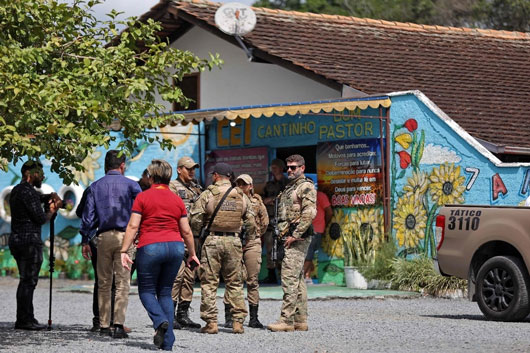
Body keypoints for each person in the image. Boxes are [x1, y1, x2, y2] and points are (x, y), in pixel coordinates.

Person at [120, 159, 199, 351]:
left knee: (146, 291)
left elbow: (132, 225)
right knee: (165, 292)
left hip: (150, 247)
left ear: (152, 176)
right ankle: (167, 343)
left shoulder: (143, 197)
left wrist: (124, 250)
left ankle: (160, 321)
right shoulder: (177, 199)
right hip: (175, 248)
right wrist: (192, 254)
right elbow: (186, 231)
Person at [190, 162, 257, 334]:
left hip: (212, 241)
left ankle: (211, 323)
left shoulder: (208, 193)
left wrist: (197, 236)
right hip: (234, 241)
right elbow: (251, 221)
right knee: (235, 283)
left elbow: (196, 218)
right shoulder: (241, 195)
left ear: (216, 176)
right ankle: (237, 322)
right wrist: (245, 239)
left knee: (209, 283)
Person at [81, 150, 141, 339]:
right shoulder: (132, 186)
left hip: (103, 237)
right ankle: (118, 324)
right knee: (123, 282)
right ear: (122, 165)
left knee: (104, 282)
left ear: (106, 165)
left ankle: (104, 325)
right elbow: (141, 212)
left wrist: (85, 240)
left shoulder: (95, 186)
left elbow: (87, 217)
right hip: (126, 237)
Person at [9, 160, 62, 330]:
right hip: (29, 241)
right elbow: (40, 219)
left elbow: (37, 198)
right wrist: (52, 211)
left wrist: (49, 196)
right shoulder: (28, 193)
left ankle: (26, 317)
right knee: (28, 281)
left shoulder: (18, 190)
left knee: (25, 280)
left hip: (17, 240)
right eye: (40, 173)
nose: (43, 176)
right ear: (30, 174)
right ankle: (24, 320)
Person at [267, 154, 316, 332]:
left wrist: (295, 234)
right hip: (289, 237)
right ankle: (300, 320)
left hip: (297, 238)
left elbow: (310, 213)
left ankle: (286, 320)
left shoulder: (305, 187)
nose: (289, 170)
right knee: (297, 279)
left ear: (302, 168)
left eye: (293, 167)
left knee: (288, 278)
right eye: (288, 167)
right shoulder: (290, 187)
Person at [223, 174, 269, 329]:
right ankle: (229, 316)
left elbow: (265, 222)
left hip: (251, 243)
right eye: (239, 183)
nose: (242, 186)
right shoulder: (230, 199)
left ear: (251, 186)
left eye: (245, 184)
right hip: (234, 241)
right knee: (232, 280)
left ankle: (254, 318)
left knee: (252, 280)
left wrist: (254, 236)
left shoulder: (257, 201)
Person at [168, 156, 203, 329]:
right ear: (179, 169)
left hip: (194, 238)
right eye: (188, 168)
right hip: (179, 236)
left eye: (193, 168)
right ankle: (170, 314)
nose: (192, 171)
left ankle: (183, 314)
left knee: (190, 277)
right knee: (177, 276)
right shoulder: (172, 187)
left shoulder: (196, 188)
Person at [261, 158, 289, 284]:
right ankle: (271, 275)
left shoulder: (288, 183)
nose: (273, 169)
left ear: (281, 168)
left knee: (284, 249)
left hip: (284, 221)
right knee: (270, 248)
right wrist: (269, 200)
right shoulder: (269, 185)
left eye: (275, 167)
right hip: (271, 222)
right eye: (272, 167)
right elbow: (262, 200)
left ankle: (285, 276)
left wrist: (275, 200)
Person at [303, 190, 332, 283]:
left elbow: (329, 212)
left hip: (315, 229)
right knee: (308, 254)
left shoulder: (320, 195)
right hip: (306, 229)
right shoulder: (302, 196)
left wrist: (324, 223)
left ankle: (300, 276)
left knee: (308, 255)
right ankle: (307, 276)